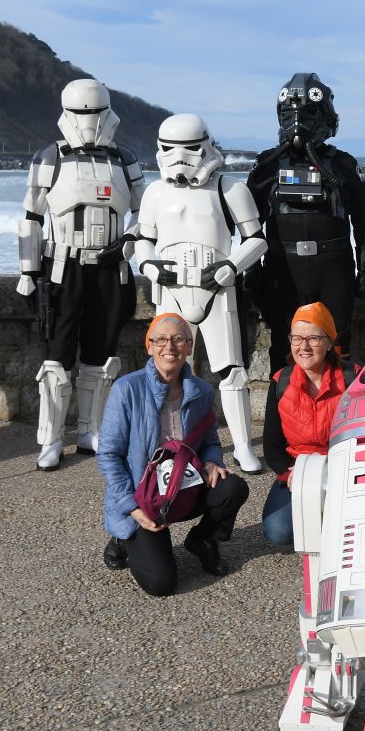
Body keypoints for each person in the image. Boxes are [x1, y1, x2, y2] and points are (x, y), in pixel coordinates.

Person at [18, 78, 146, 470]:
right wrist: (27, 270)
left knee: (101, 355)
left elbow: (145, 213)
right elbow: (30, 218)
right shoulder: (50, 158)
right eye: (81, 113)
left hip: (111, 267)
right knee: (56, 360)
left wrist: (128, 243)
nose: (88, 121)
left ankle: (91, 430)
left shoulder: (124, 159)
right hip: (62, 266)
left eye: (93, 113)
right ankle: (51, 439)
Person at [134, 113, 267, 474]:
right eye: (170, 149)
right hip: (171, 290)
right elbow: (143, 240)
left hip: (217, 289)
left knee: (232, 371)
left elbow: (255, 239)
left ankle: (241, 445)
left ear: (206, 144)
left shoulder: (229, 189)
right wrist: (149, 266)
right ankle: (169, 443)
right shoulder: (156, 192)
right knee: (167, 371)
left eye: (189, 148)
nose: (180, 157)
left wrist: (229, 267)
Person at [98, 313, 249, 597]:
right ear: (149, 346)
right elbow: (108, 455)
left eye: (179, 339)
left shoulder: (201, 391)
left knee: (233, 487)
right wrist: (131, 507)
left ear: (190, 346)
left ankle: (202, 540)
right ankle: (122, 537)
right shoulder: (126, 389)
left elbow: (210, 441)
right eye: (161, 340)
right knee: (161, 585)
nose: (170, 346)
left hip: (184, 485)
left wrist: (213, 462)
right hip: (143, 496)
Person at [245, 73, 365, 368]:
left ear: (325, 115)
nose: (298, 120)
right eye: (290, 113)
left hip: (333, 269)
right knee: (283, 347)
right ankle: (281, 412)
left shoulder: (343, 164)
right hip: (282, 270)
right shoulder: (267, 164)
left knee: (338, 347)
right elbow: (248, 225)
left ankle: (339, 412)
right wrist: (251, 272)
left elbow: (364, 223)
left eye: (309, 112)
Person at [260, 302, 357, 550]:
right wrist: (291, 473)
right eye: (296, 338)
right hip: (299, 468)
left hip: (343, 467)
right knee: (277, 531)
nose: (303, 346)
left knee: (354, 531)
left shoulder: (353, 378)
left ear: (328, 341)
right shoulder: (280, 381)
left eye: (313, 338)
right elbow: (272, 447)